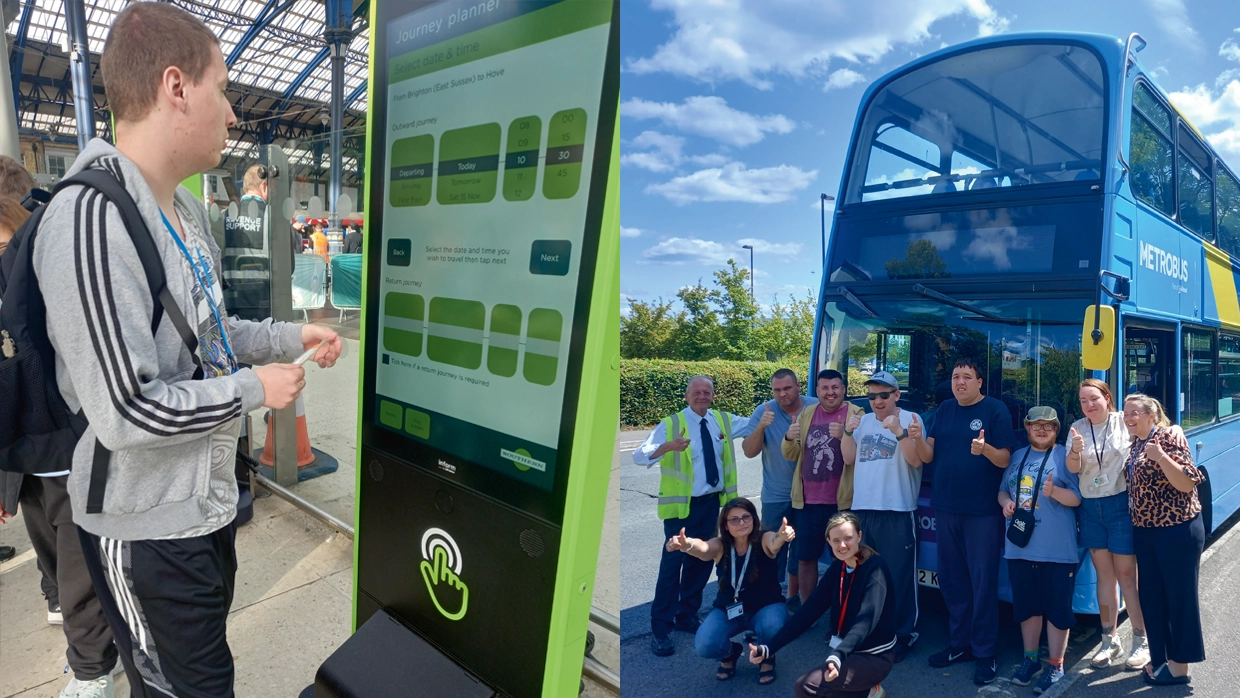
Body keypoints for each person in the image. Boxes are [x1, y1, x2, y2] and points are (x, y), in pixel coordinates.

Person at [32, 3, 344, 695]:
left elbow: (209, 333)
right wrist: (254, 389)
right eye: (223, 89)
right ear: (177, 87)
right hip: (144, 530)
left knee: (205, 674)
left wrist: (292, 337)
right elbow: (125, 413)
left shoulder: (184, 211)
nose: (233, 113)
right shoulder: (91, 221)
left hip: (204, 503)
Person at [913, 358, 1015, 684]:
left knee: (983, 585)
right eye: (956, 376)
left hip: (981, 512)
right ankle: (959, 645)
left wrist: (985, 450)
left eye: (967, 377)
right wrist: (915, 437)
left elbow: (1005, 458)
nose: (960, 382)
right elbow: (928, 455)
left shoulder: (995, 410)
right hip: (945, 508)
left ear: (979, 382)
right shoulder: (943, 410)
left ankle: (985, 653)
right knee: (953, 581)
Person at [633, 375, 751, 656]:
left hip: (711, 505)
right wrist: (667, 447)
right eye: (696, 392)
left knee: (702, 562)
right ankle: (660, 629)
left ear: (712, 395)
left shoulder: (721, 420)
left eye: (707, 392)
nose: (702, 396)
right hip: (680, 510)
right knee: (672, 568)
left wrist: (780, 405)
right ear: (687, 396)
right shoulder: (672, 423)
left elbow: (754, 422)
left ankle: (687, 616)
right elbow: (639, 455)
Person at [751, 511, 897, 698]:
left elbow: (865, 623)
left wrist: (838, 655)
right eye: (836, 540)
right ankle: (867, 692)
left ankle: (869, 691)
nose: (842, 545)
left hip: (875, 655)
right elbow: (808, 612)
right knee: (817, 687)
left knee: (807, 687)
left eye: (848, 538)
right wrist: (769, 648)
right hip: (848, 652)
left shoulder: (875, 569)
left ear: (859, 536)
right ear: (828, 540)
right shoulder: (838, 568)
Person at [1122, 394, 1205, 685]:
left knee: (1178, 599)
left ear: (1152, 415)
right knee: (1153, 598)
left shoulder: (1170, 437)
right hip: (1146, 532)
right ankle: (1160, 660)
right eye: (1125, 413)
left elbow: (1186, 482)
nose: (1128, 417)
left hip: (1177, 530)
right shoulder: (1136, 444)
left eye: (1134, 412)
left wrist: (1162, 458)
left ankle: (1179, 668)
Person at [840, 371, 923, 661]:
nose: (877, 401)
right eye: (872, 396)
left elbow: (916, 460)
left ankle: (903, 635)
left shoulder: (912, 418)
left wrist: (899, 432)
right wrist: (848, 432)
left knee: (899, 577)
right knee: (865, 575)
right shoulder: (862, 421)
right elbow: (848, 458)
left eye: (883, 395)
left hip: (898, 509)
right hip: (864, 509)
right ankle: (869, 631)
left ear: (896, 395)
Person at [666, 497, 793, 684]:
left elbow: (774, 542)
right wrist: (686, 545)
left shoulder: (764, 538)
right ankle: (730, 653)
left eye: (746, 517)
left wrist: (782, 535)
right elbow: (704, 548)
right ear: (725, 525)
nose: (741, 523)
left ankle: (767, 656)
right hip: (730, 609)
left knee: (773, 627)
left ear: (754, 519)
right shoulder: (721, 545)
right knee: (705, 645)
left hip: (766, 607)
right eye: (734, 519)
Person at [1067, 379, 1148, 670]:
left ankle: (1141, 641)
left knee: (1127, 574)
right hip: (1090, 507)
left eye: (1094, 398)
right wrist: (1075, 451)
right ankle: (1109, 641)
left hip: (1120, 504)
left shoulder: (1122, 421)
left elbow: (1147, 438)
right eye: (1083, 400)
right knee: (1105, 576)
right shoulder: (1077, 427)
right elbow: (1072, 468)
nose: (1089, 405)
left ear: (1107, 398)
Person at [999, 407, 1082, 694]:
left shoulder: (1065, 457)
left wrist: (1054, 493)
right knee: (1027, 609)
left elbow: (1077, 498)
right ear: (1027, 428)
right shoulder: (1016, 456)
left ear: (1056, 430)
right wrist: (1005, 503)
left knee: (1058, 612)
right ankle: (1030, 660)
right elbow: (1002, 490)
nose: (1042, 430)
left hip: (1057, 551)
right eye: (1037, 425)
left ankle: (1056, 665)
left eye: (1049, 425)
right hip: (1019, 549)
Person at [781, 369, 864, 604]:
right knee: (806, 558)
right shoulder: (807, 413)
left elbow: (861, 457)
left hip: (842, 504)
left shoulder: (856, 414)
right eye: (825, 388)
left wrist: (845, 435)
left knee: (844, 559)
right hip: (807, 502)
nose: (830, 393)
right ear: (817, 391)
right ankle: (808, 609)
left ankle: (841, 609)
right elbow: (792, 454)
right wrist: (788, 437)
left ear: (844, 390)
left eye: (835, 387)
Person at [741, 368, 818, 609]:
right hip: (776, 495)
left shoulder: (814, 407)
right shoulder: (764, 412)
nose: (782, 394)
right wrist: (761, 427)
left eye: (787, 388)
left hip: (809, 495)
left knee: (802, 552)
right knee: (771, 551)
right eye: (777, 390)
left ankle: (793, 598)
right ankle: (769, 602)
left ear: (798, 386)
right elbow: (749, 451)